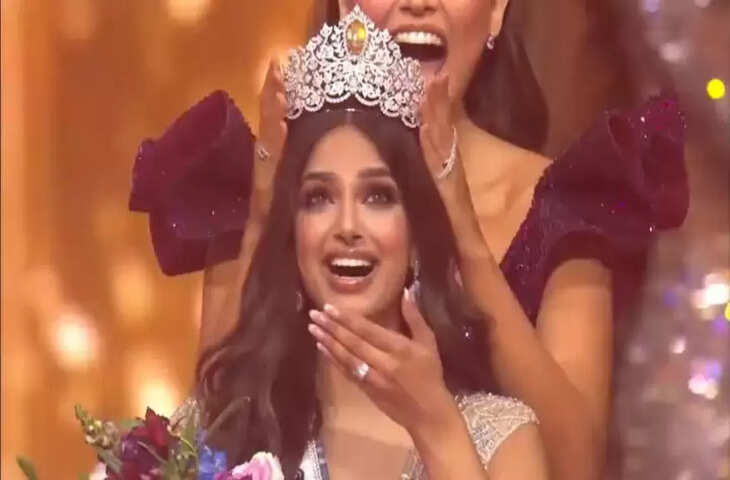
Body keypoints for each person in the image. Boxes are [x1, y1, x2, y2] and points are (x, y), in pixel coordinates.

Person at [129, 2, 689, 479]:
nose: (417, 0)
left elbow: (575, 467)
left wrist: (465, 239)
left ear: (497, 8)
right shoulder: (260, 191)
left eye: (380, 198)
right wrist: (264, 209)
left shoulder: (565, 204)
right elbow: (210, 439)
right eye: (319, 199)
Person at [191, 16, 548, 478]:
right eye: (318, 198)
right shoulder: (224, 427)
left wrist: (438, 429)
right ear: (292, 235)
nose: (347, 227)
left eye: (378, 197)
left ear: (418, 235)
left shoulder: (504, 439)